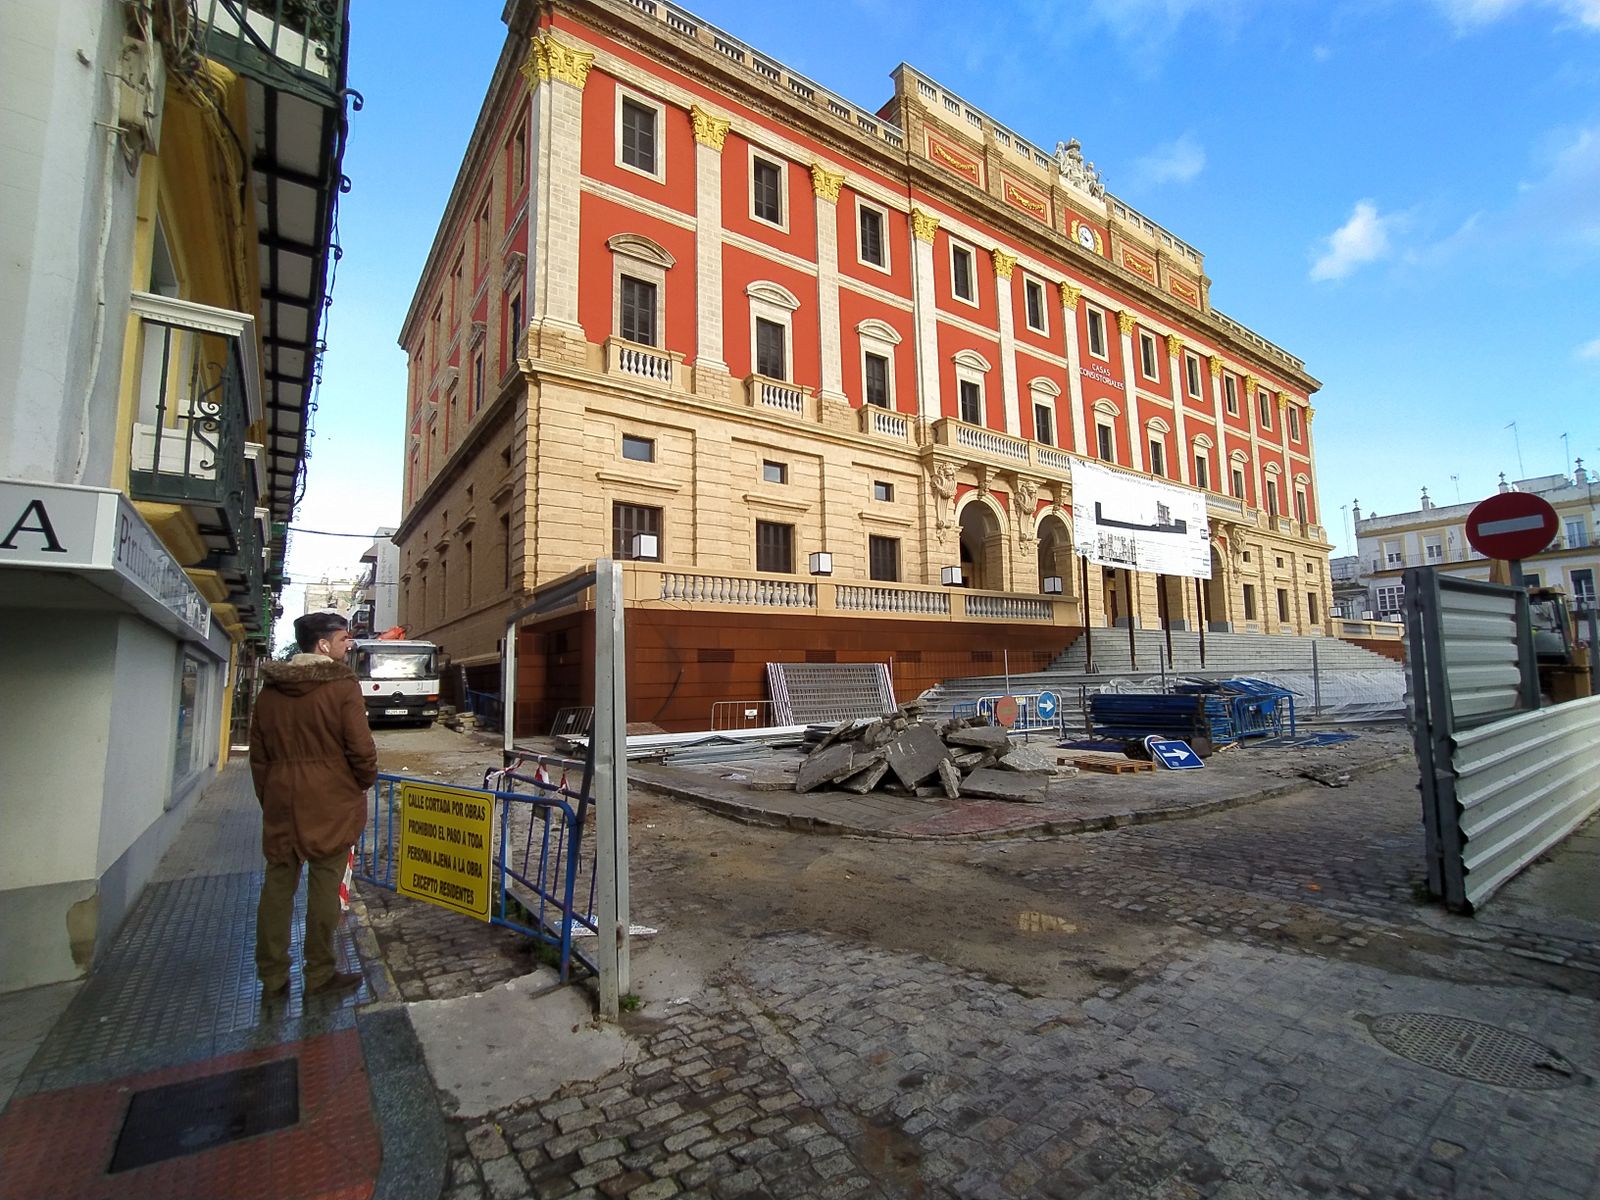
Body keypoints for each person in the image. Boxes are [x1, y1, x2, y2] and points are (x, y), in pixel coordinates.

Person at [250, 611, 378, 996]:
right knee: (325, 886)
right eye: (343, 639)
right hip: (330, 803)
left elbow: (258, 757)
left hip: (280, 802)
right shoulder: (342, 688)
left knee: (277, 887)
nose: (349, 645)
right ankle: (320, 973)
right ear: (323, 645)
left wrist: (270, 795)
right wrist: (360, 783)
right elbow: (361, 749)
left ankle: (272, 977)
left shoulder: (270, 691)